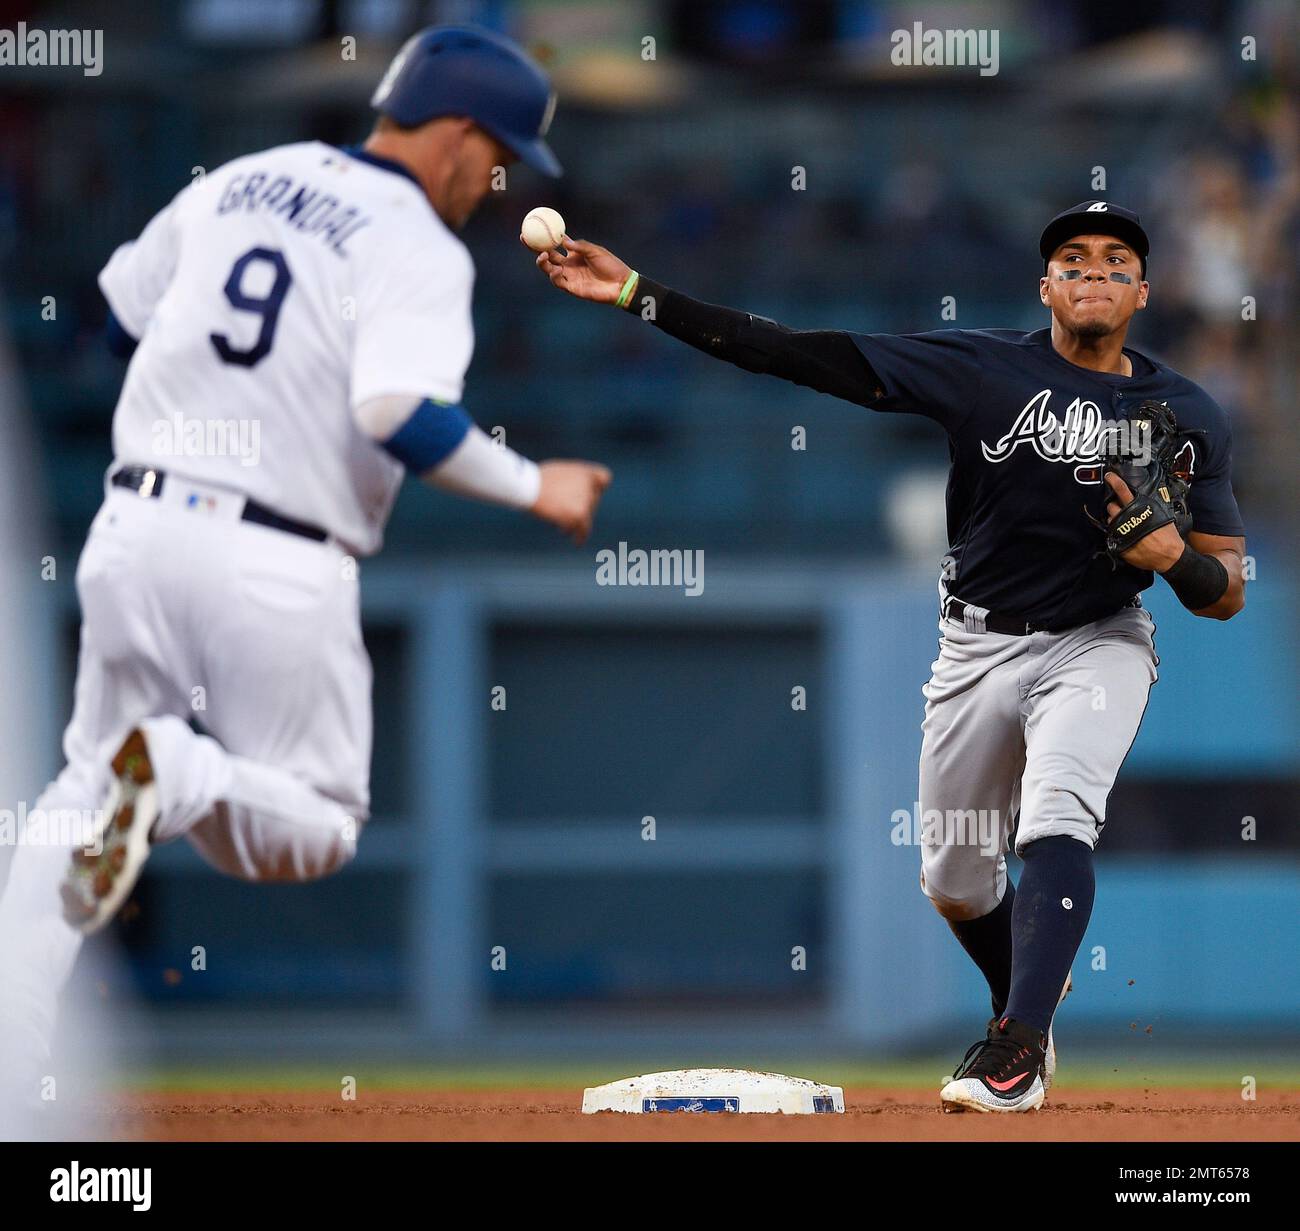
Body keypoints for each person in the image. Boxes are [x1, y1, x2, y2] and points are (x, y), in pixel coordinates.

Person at [0, 24, 610, 1102]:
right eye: (500, 151)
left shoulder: (242, 177)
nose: (501, 177)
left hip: (135, 523)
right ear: (458, 133)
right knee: (316, 824)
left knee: (74, 795)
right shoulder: (415, 241)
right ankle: (176, 769)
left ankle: (11, 1063)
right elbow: (394, 414)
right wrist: (535, 484)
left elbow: (115, 317)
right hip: (276, 554)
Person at [534, 200, 1246, 1112]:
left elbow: (1224, 589)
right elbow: (798, 351)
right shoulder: (984, 368)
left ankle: (1016, 1050)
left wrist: (1173, 560)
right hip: (975, 643)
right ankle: (1019, 1008)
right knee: (952, 878)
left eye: (1116, 260)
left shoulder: (1186, 412)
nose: (1095, 272)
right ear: (1046, 286)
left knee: (1058, 814)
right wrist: (638, 293)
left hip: (1099, 639)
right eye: (1074, 258)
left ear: (1143, 290)